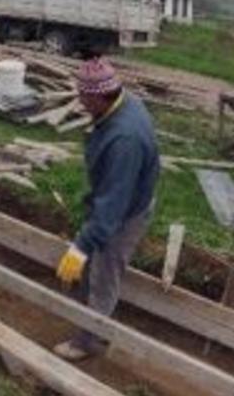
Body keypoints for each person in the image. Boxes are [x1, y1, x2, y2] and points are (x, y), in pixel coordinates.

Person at [53, 58, 161, 361]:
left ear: (100, 96)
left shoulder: (124, 140)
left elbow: (113, 208)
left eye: (84, 97)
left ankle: (86, 341)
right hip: (122, 197)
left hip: (127, 212)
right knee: (94, 262)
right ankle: (92, 315)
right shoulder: (124, 104)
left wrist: (80, 247)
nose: (81, 102)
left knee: (104, 274)